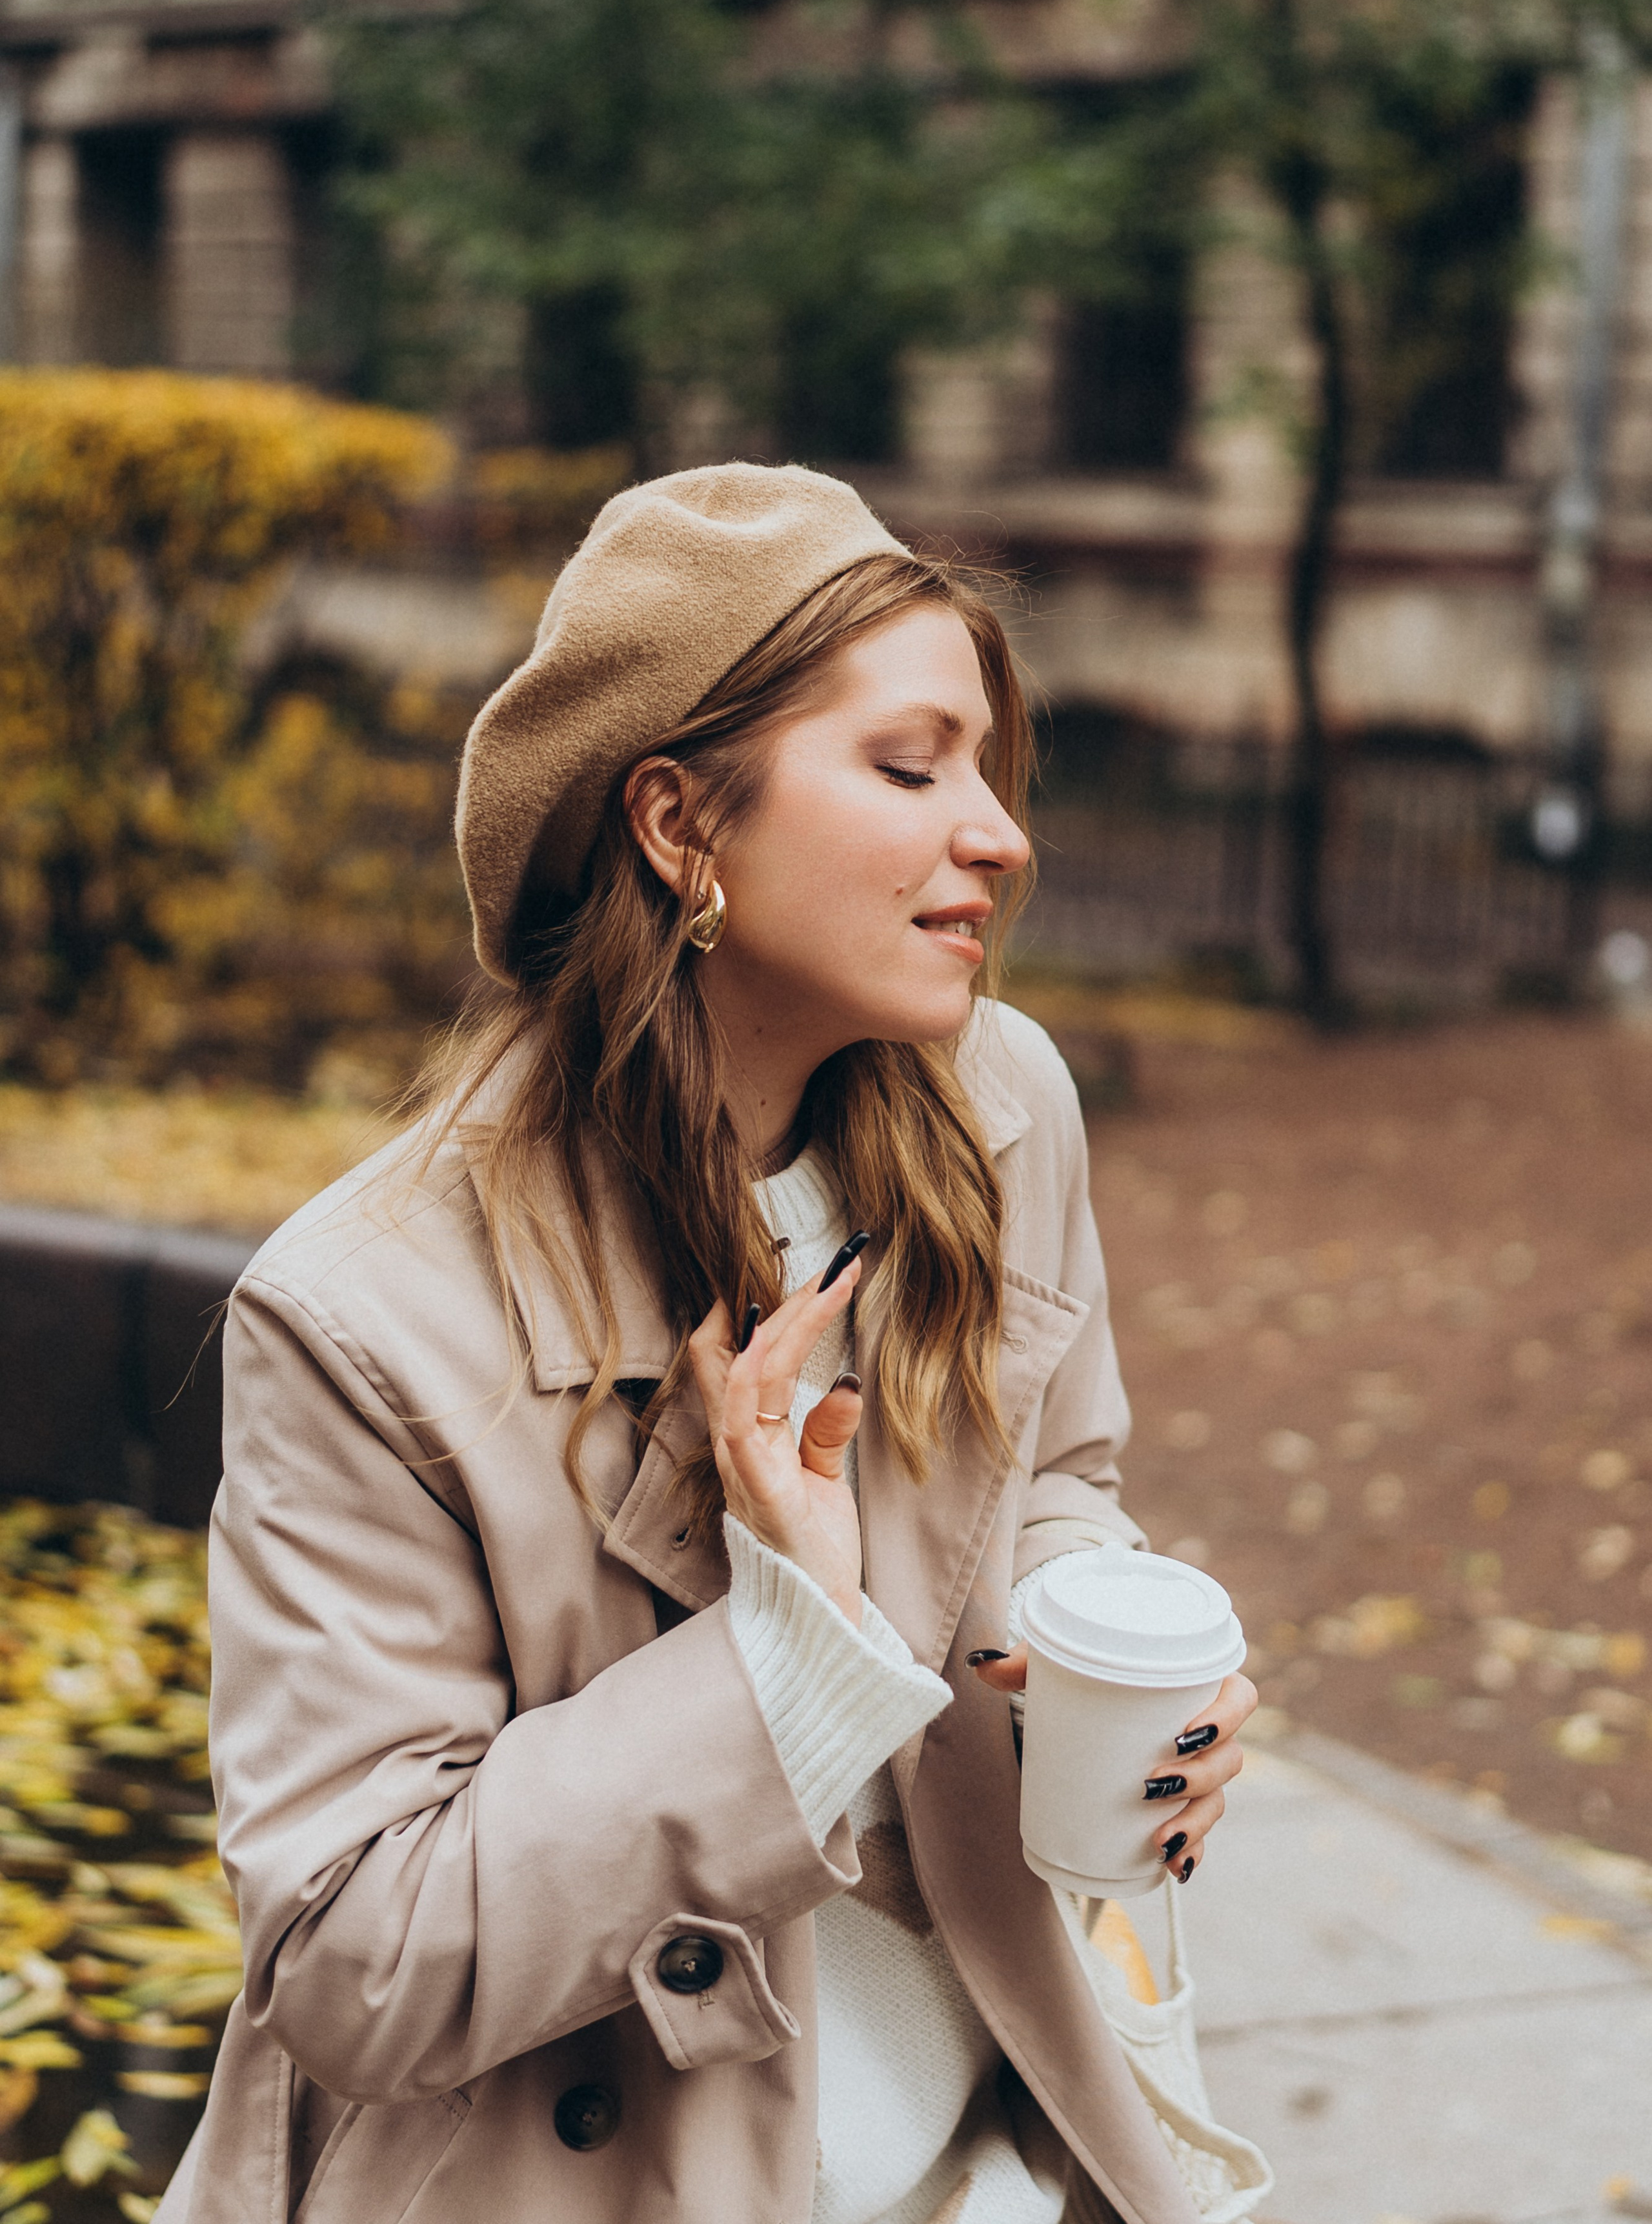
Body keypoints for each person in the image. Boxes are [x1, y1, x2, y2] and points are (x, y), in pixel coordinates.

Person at [157, 463, 1256, 2224]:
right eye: (910, 767)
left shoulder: (1003, 1115)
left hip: (984, 2148)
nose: (1002, 832)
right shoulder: (370, 1317)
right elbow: (352, 1960)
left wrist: (1112, 1648)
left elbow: (1051, 1479)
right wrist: (783, 1665)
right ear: (681, 827)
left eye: (983, 762)